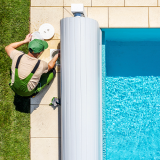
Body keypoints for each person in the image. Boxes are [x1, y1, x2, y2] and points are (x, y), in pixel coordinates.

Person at [5, 33, 60, 97]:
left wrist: (24, 41)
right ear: (40, 53)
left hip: (14, 87)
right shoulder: (41, 65)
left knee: (21, 54)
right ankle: (34, 94)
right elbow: (50, 66)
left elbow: (8, 47)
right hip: (27, 93)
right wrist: (57, 55)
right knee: (52, 72)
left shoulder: (17, 56)